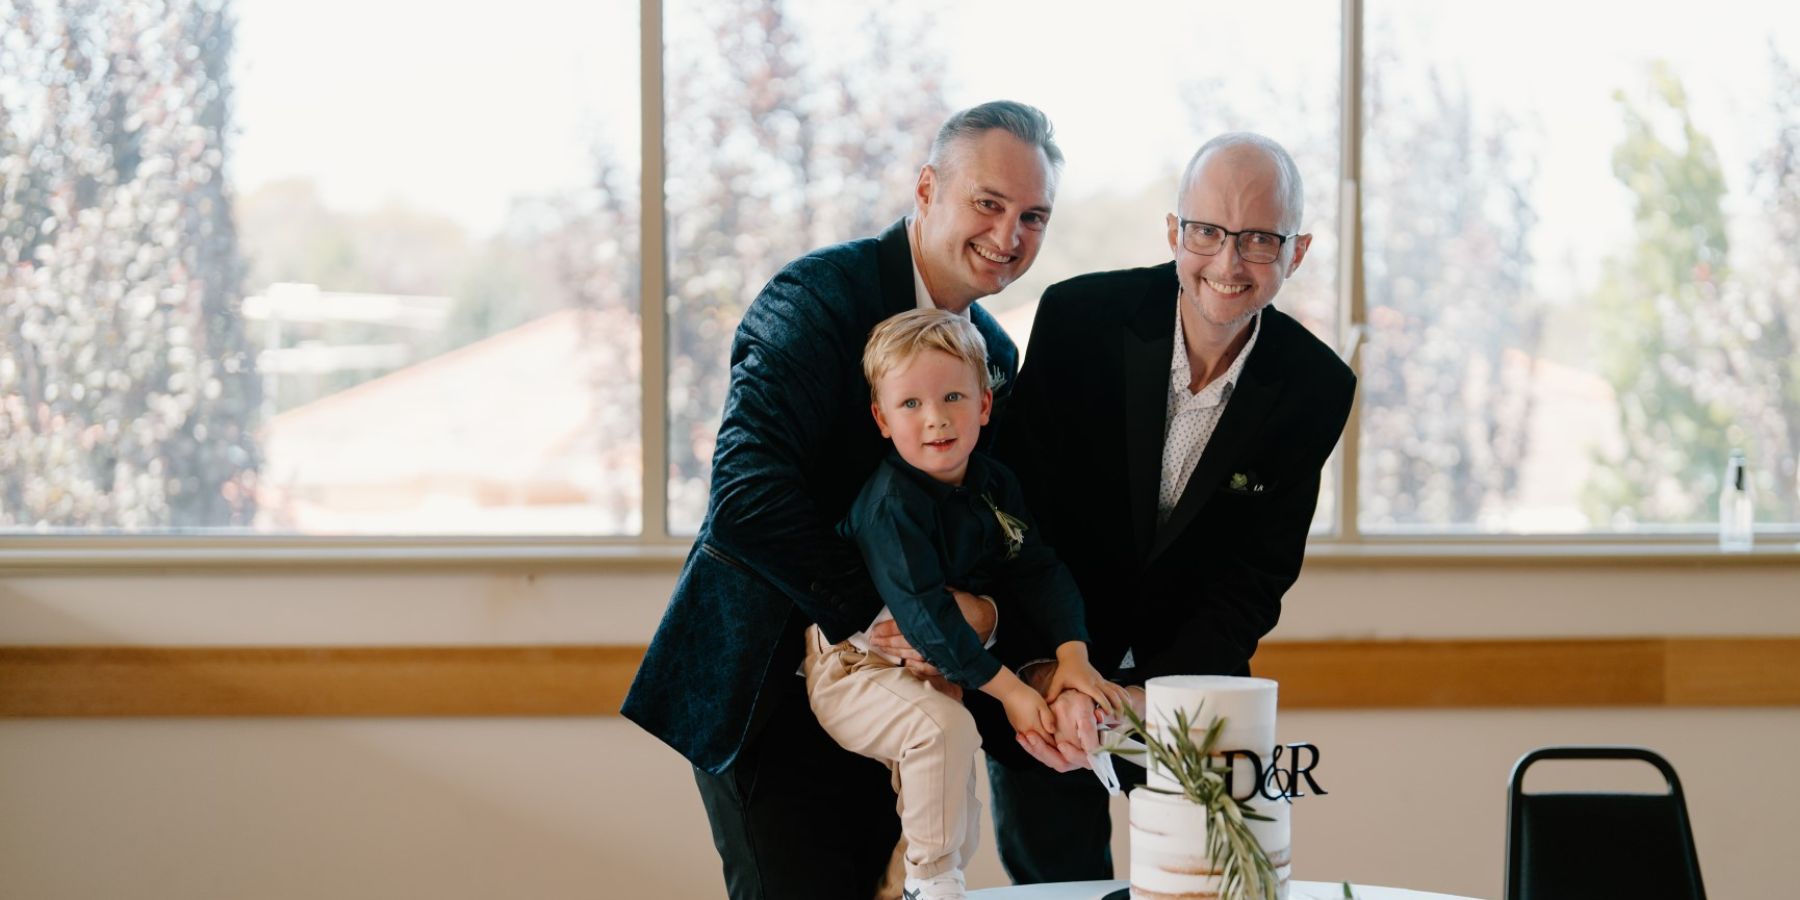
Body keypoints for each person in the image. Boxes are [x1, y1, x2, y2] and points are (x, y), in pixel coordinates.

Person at [621, 101, 1062, 900]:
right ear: (928, 188)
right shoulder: (815, 297)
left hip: (911, 704)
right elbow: (746, 497)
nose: (1009, 236)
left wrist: (987, 620)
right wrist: (894, 611)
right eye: (989, 204)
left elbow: (987, 530)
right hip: (769, 689)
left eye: (1033, 216)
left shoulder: (993, 355)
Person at [976, 132, 1358, 883]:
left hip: (1191, 685)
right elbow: (1015, 519)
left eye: (1258, 240)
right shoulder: (1080, 319)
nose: (1227, 263)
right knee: (1059, 886)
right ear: (1174, 232)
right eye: (1208, 232)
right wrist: (1052, 669)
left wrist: (1149, 698)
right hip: (1048, 670)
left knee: (1215, 885)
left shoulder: (1315, 388)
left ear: (1298, 251)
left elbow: (1254, 579)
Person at [805, 308, 1130, 900]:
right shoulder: (891, 507)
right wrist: (1012, 692)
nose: (935, 419)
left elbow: (1038, 570)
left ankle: (914, 885)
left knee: (955, 808)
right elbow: (925, 617)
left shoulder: (994, 483)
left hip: (944, 666)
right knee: (944, 731)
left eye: (953, 396)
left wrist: (1074, 656)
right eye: (910, 405)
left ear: (983, 404)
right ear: (881, 418)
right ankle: (933, 889)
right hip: (855, 667)